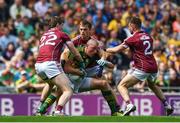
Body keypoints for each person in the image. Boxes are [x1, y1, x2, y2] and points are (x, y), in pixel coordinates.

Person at [106, 16, 173, 116]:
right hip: (153, 67)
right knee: (152, 85)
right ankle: (167, 105)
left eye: (129, 26)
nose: (129, 28)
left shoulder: (132, 38)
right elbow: (141, 49)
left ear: (132, 26)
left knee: (121, 85)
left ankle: (129, 105)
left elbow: (116, 50)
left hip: (142, 67)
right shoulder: (148, 36)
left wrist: (105, 49)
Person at [37, 39, 123, 116]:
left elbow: (111, 66)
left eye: (96, 49)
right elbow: (66, 68)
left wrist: (104, 62)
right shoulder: (76, 52)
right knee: (59, 90)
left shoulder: (95, 53)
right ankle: (42, 111)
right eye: (93, 48)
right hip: (69, 77)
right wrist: (78, 72)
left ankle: (114, 112)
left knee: (104, 83)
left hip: (81, 80)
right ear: (86, 46)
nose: (95, 51)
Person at [35, 16, 85, 115]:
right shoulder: (62, 34)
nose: (62, 27)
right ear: (58, 24)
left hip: (38, 65)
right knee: (68, 90)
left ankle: (40, 107)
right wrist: (81, 61)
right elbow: (73, 50)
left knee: (50, 84)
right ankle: (58, 111)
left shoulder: (44, 35)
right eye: (62, 25)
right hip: (50, 64)